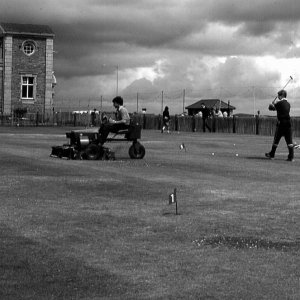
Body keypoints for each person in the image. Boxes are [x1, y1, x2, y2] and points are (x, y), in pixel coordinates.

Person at [265, 89, 294, 161]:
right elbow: (281, 109)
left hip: (281, 124)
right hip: (288, 124)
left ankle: (272, 154)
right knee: (289, 141)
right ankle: (291, 157)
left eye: (278, 95)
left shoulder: (279, 103)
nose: (278, 97)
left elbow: (271, 108)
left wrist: (271, 104)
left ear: (281, 96)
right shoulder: (288, 104)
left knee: (276, 140)